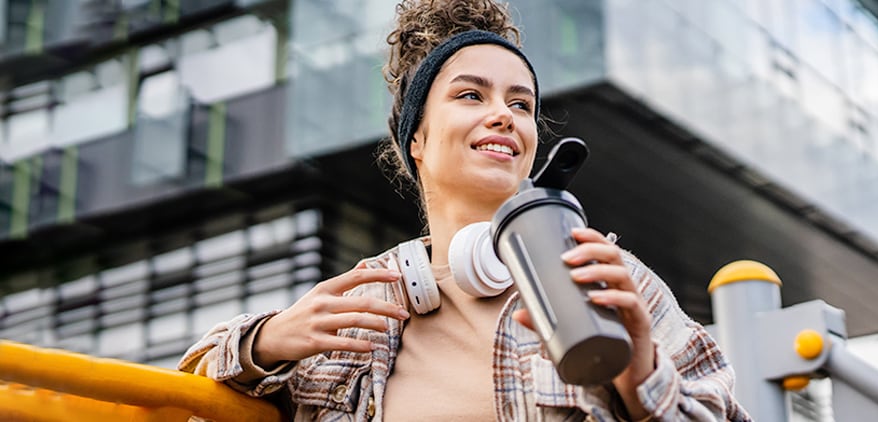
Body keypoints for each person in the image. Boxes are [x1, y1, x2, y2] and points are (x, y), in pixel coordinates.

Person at [178, 0, 749, 420]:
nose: (504, 115)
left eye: (519, 103)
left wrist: (641, 371)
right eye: (471, 95)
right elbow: (180, 398)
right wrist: (263, 342)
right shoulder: (357, 308)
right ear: (417, 141)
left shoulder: (606, 281)